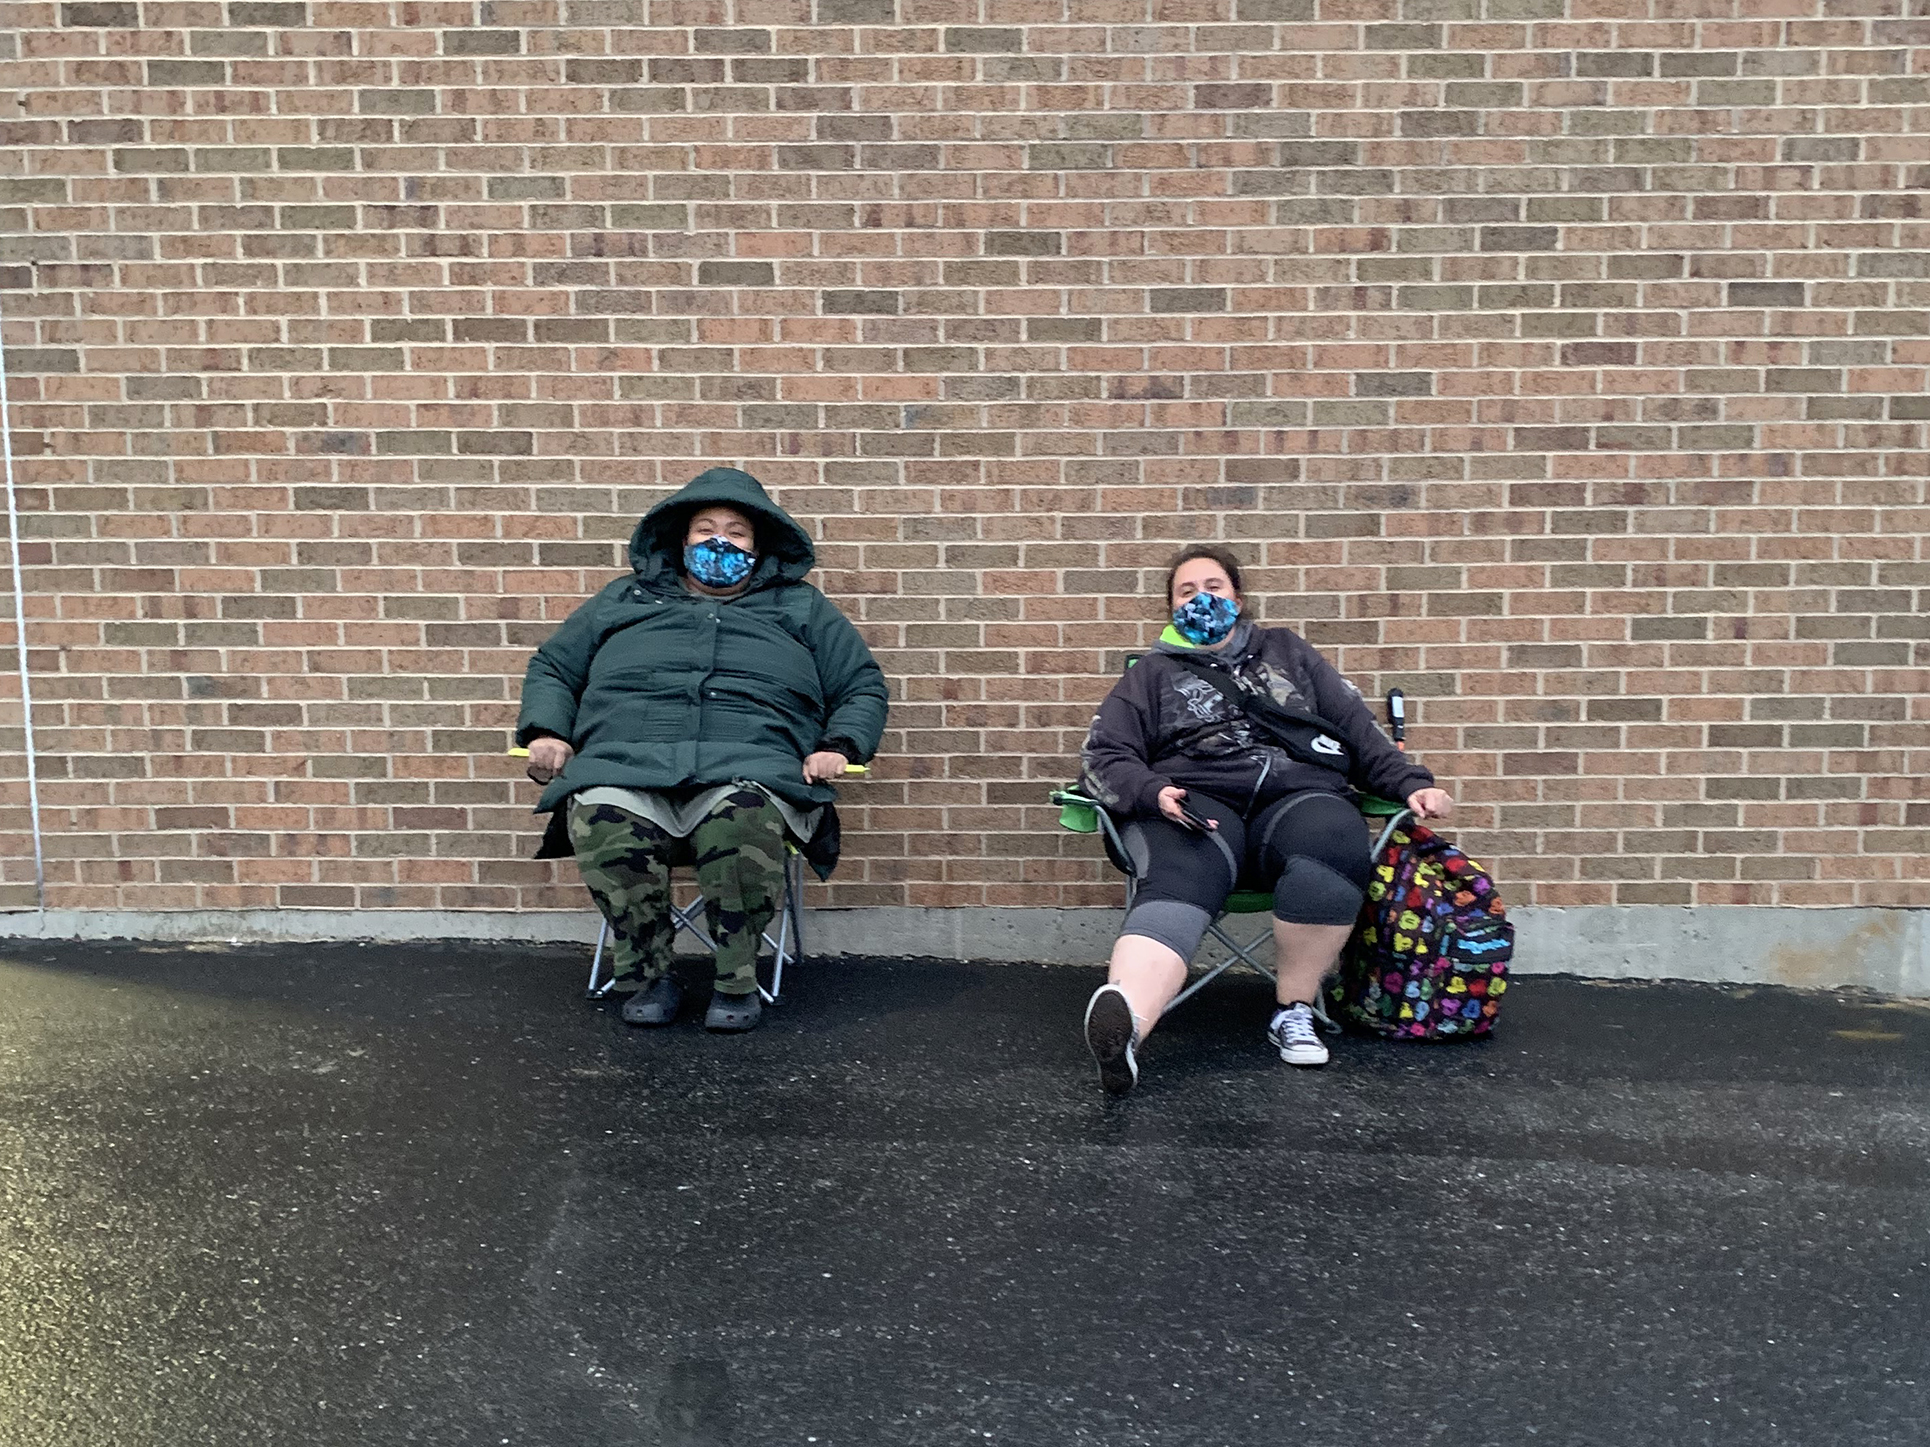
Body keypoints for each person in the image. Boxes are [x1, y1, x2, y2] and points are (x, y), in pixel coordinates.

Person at [517, 468, 888, 1033]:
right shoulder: (623, 599)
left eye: (737, 533)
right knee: (601, 813)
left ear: (760, 546)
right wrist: (547, 730)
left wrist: (839, 744)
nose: (721, 541)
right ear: (679, 539)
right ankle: (647, 975)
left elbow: (860, 685)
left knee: (740, 816)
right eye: (705, 528)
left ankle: (737, 981)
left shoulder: (801, 608)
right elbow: (554, 667)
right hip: (628, 764)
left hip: (751, 767)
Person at [1076, 544, 1453, 1093]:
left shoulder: (1289, 653)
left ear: (1238, 596)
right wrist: (1153, 791)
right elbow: (1103, 756)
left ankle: (1293, 1012)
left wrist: (1412, 785)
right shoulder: (1151, 675)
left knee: (1332, 842)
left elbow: (1356, 730)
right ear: (1170, 609)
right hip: (1196, 799)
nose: (1201, 599)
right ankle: (1127, 1026)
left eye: (1213, 587)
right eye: (1186, 592)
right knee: (1181, 870)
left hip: (1297, 796)